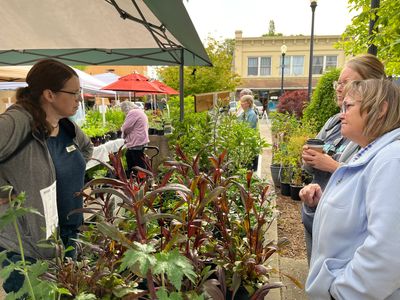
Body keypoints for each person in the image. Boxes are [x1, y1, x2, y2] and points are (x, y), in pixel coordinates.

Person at [0, 59, 93, 293]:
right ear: (49, 94)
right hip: (24, 248)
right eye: (74, 92)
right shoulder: (17, 121)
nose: (79, 98)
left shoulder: (60, 125)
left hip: (59, 235)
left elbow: (86, 148)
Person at [305, 78, 400, 299]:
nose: (341, 115)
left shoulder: (392, 159)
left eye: (348, 106)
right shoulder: (375, 152)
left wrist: (342, 292)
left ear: (380, 110)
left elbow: (388, 251)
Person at [300, 54, 386, 263]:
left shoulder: (378, 137)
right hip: (318, 212)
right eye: (337, 82)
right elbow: (310, 168)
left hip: (344, 231)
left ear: (370, 85)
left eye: (346, 82)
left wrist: (332, 166)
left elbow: (370, 179)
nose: (339, 88)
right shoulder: (333, 123)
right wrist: (309, 158)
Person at [121, 101, 150, 175]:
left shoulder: (133, 112)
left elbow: (126, 127)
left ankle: (141, 180)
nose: (124, 113)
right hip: (140, 140)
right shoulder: (139, 112)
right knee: (129, 156)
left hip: (136, 141)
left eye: (124, 111)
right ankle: (135, 177)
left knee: (138, 162)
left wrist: (123, 133)